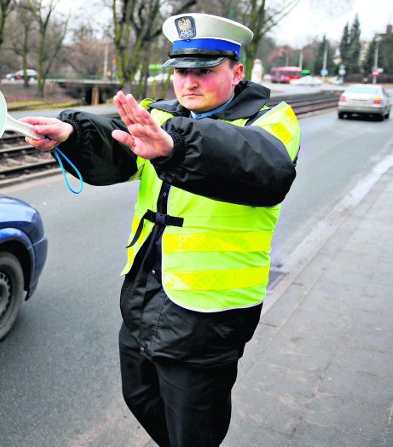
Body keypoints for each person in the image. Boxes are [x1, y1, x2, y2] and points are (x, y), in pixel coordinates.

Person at [21, 13, 301, 447]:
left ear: (237, 71)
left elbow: (262, 166)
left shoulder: (271, 120)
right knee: (139, 396)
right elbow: (116, 142)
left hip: (209, 312)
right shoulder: (162, 115)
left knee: (194, 430)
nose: (188, 82)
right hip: (146, 295)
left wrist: (175, 146)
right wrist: (72, 134)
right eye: (181, 71)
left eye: (204, 71)